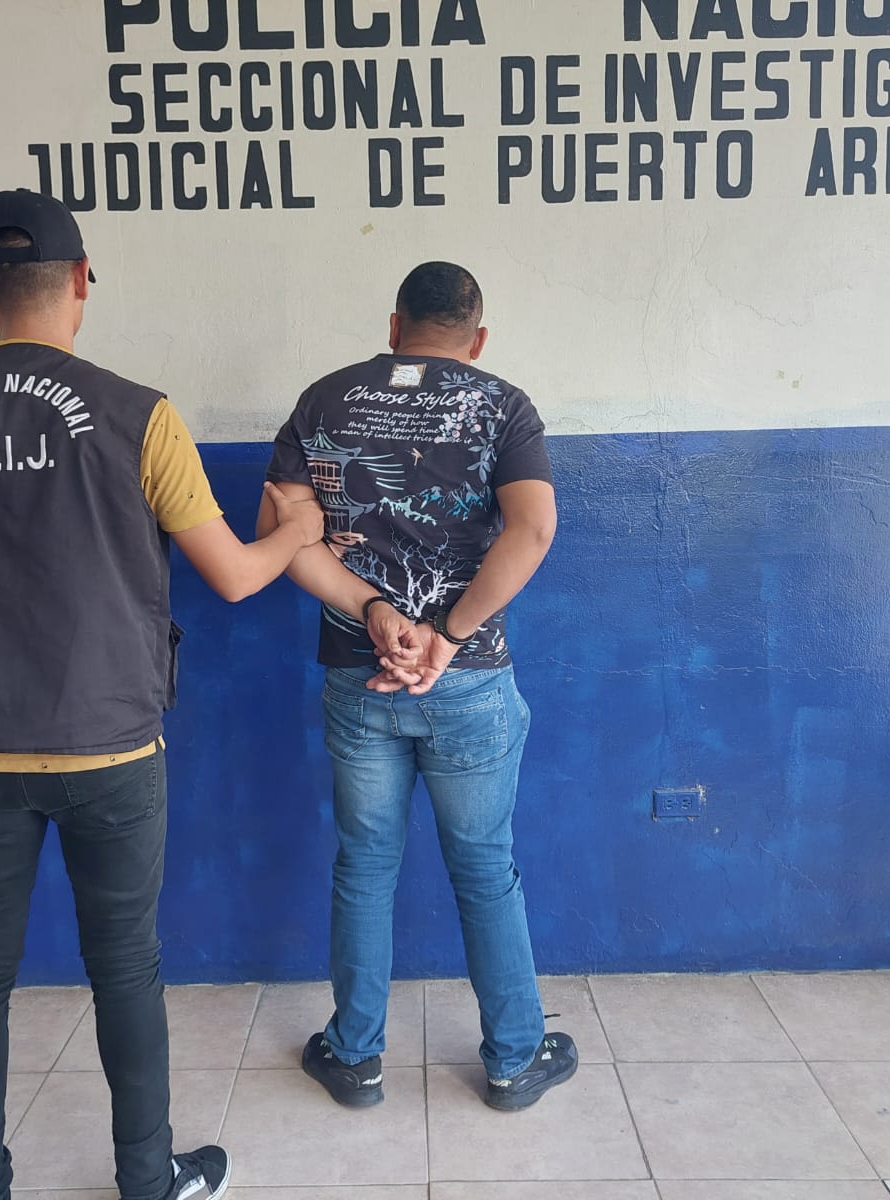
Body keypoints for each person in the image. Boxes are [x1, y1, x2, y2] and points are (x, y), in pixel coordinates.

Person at [0, 188, 322, 1200]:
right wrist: (299, 529)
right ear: (81, 280)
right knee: (125, 967)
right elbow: (235, 575)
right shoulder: (139, 414)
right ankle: (147, 1179)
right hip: (110, 746)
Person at [259, 261, 576, 1112]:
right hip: (467, 681)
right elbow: (533, 529)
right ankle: (514, 1060)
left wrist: (371, 609)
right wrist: (449, 635)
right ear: (478, 338)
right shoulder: (502, 403)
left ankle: (354, 1057)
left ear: (394, 328)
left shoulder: (324, 400)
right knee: (486, 869)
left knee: (364, 867)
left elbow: (280, 538)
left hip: (360, 674)